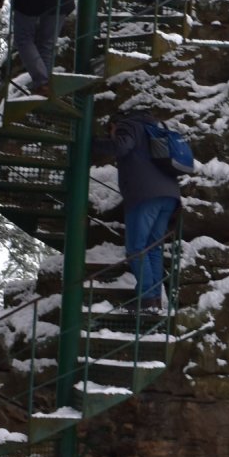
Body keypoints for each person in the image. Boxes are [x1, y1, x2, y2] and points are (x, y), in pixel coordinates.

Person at [92, 112, 182, 312]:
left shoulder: (127, 126)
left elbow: (122, 147)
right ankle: (155, 299)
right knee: (153, 248)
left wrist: (94, 143)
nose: (112, 134)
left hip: (144, 196)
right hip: (169, 195)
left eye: (110, 131)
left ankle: (147, 299)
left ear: (114, 124)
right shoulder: (155, 129)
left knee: (136, 248)